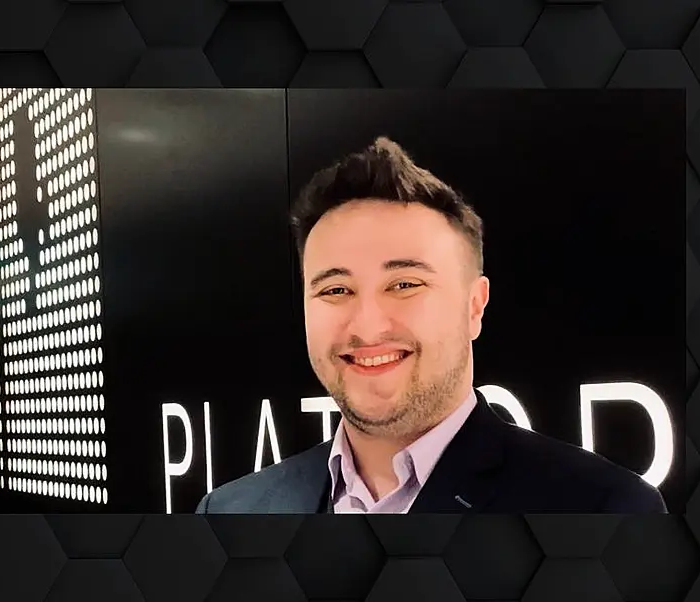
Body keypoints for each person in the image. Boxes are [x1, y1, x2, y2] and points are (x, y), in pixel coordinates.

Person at [196, 137, 666, 514]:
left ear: (474, 307)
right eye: (336, 290)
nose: (368, 325)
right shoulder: (231, 509)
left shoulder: (603, 508)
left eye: (404, 284)